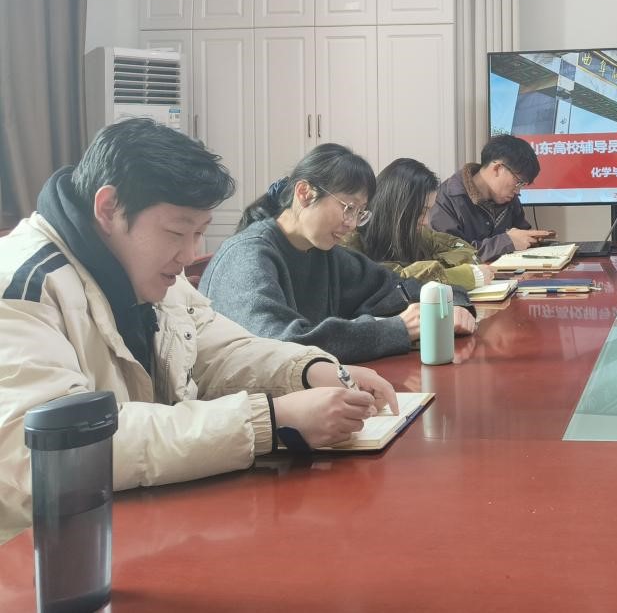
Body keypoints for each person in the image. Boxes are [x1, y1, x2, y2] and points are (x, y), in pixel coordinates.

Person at [0, 119, 397, 531]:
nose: (190, 255)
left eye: (200, 233)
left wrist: (310, 369)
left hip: (138, 521)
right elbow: (51, 452)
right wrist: (270, 420)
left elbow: (217, 349)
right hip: (41, 549)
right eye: (177, 232)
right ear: (108, 208)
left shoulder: (143, 268)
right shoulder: (20, 287)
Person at [201, 144, 476, 364]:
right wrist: (398, 329)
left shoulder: (323, 253)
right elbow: (279, 344)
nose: (352, 224)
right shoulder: (248, 255)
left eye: (360, 213)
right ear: (304, 193)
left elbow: (395, 287)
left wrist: (453, 302)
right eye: (348, 208)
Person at [347, 157, 496, 291]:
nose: (426, 221)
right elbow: (393, 282)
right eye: (420, 212)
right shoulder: (349, 240)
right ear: (397, 208)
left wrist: (434, 271)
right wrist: (461, 276)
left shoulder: (419, 234)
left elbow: (467, 253)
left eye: (429, 211)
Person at [429, 135, 553, 261]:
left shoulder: (508, 197)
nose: (518, 191)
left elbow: (521, 236)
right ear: (497, 168)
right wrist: (506, 242)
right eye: (518, 182)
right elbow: (450, 253)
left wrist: (532, 240)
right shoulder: (447, 198)